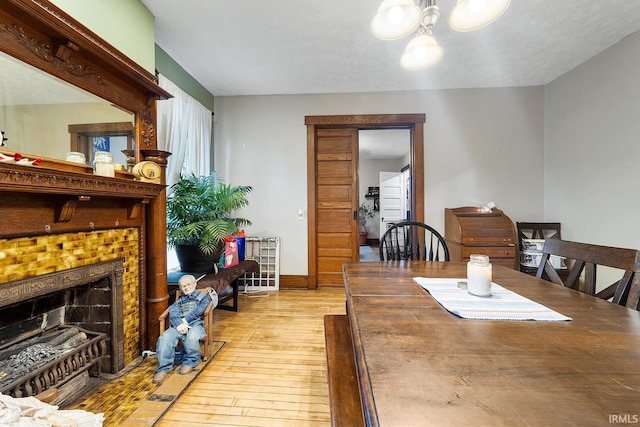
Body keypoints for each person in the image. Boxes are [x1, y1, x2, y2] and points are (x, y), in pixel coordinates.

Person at [153, 274, 212, 384]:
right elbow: (173, 312)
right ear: (180, 289)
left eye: (189, 284)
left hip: (196, 324)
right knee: (165, 337)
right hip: (178, 325)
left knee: (192, 336)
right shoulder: (178, 302)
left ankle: (190, 361)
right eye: (183, 286)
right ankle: (163, 368)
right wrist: (179, 324)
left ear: (195, 284)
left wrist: (186, 320)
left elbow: (200, 310)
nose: (186, 288)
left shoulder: (203, 297)